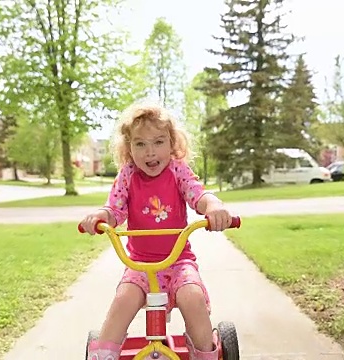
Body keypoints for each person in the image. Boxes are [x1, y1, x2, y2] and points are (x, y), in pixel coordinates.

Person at [79, 101, 234, 360]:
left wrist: (214, 205)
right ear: (128, 148)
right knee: (123, 299)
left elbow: (197, 195)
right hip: (139, 264)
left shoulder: (177, 170)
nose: (150, 152)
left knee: (192, 297)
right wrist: (100, 216)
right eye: (140, 144)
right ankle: (103, 354)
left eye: (158, 142)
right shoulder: (127, 175)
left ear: (172, 143)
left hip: (178, 262)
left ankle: (205, 353)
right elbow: (114, 211)